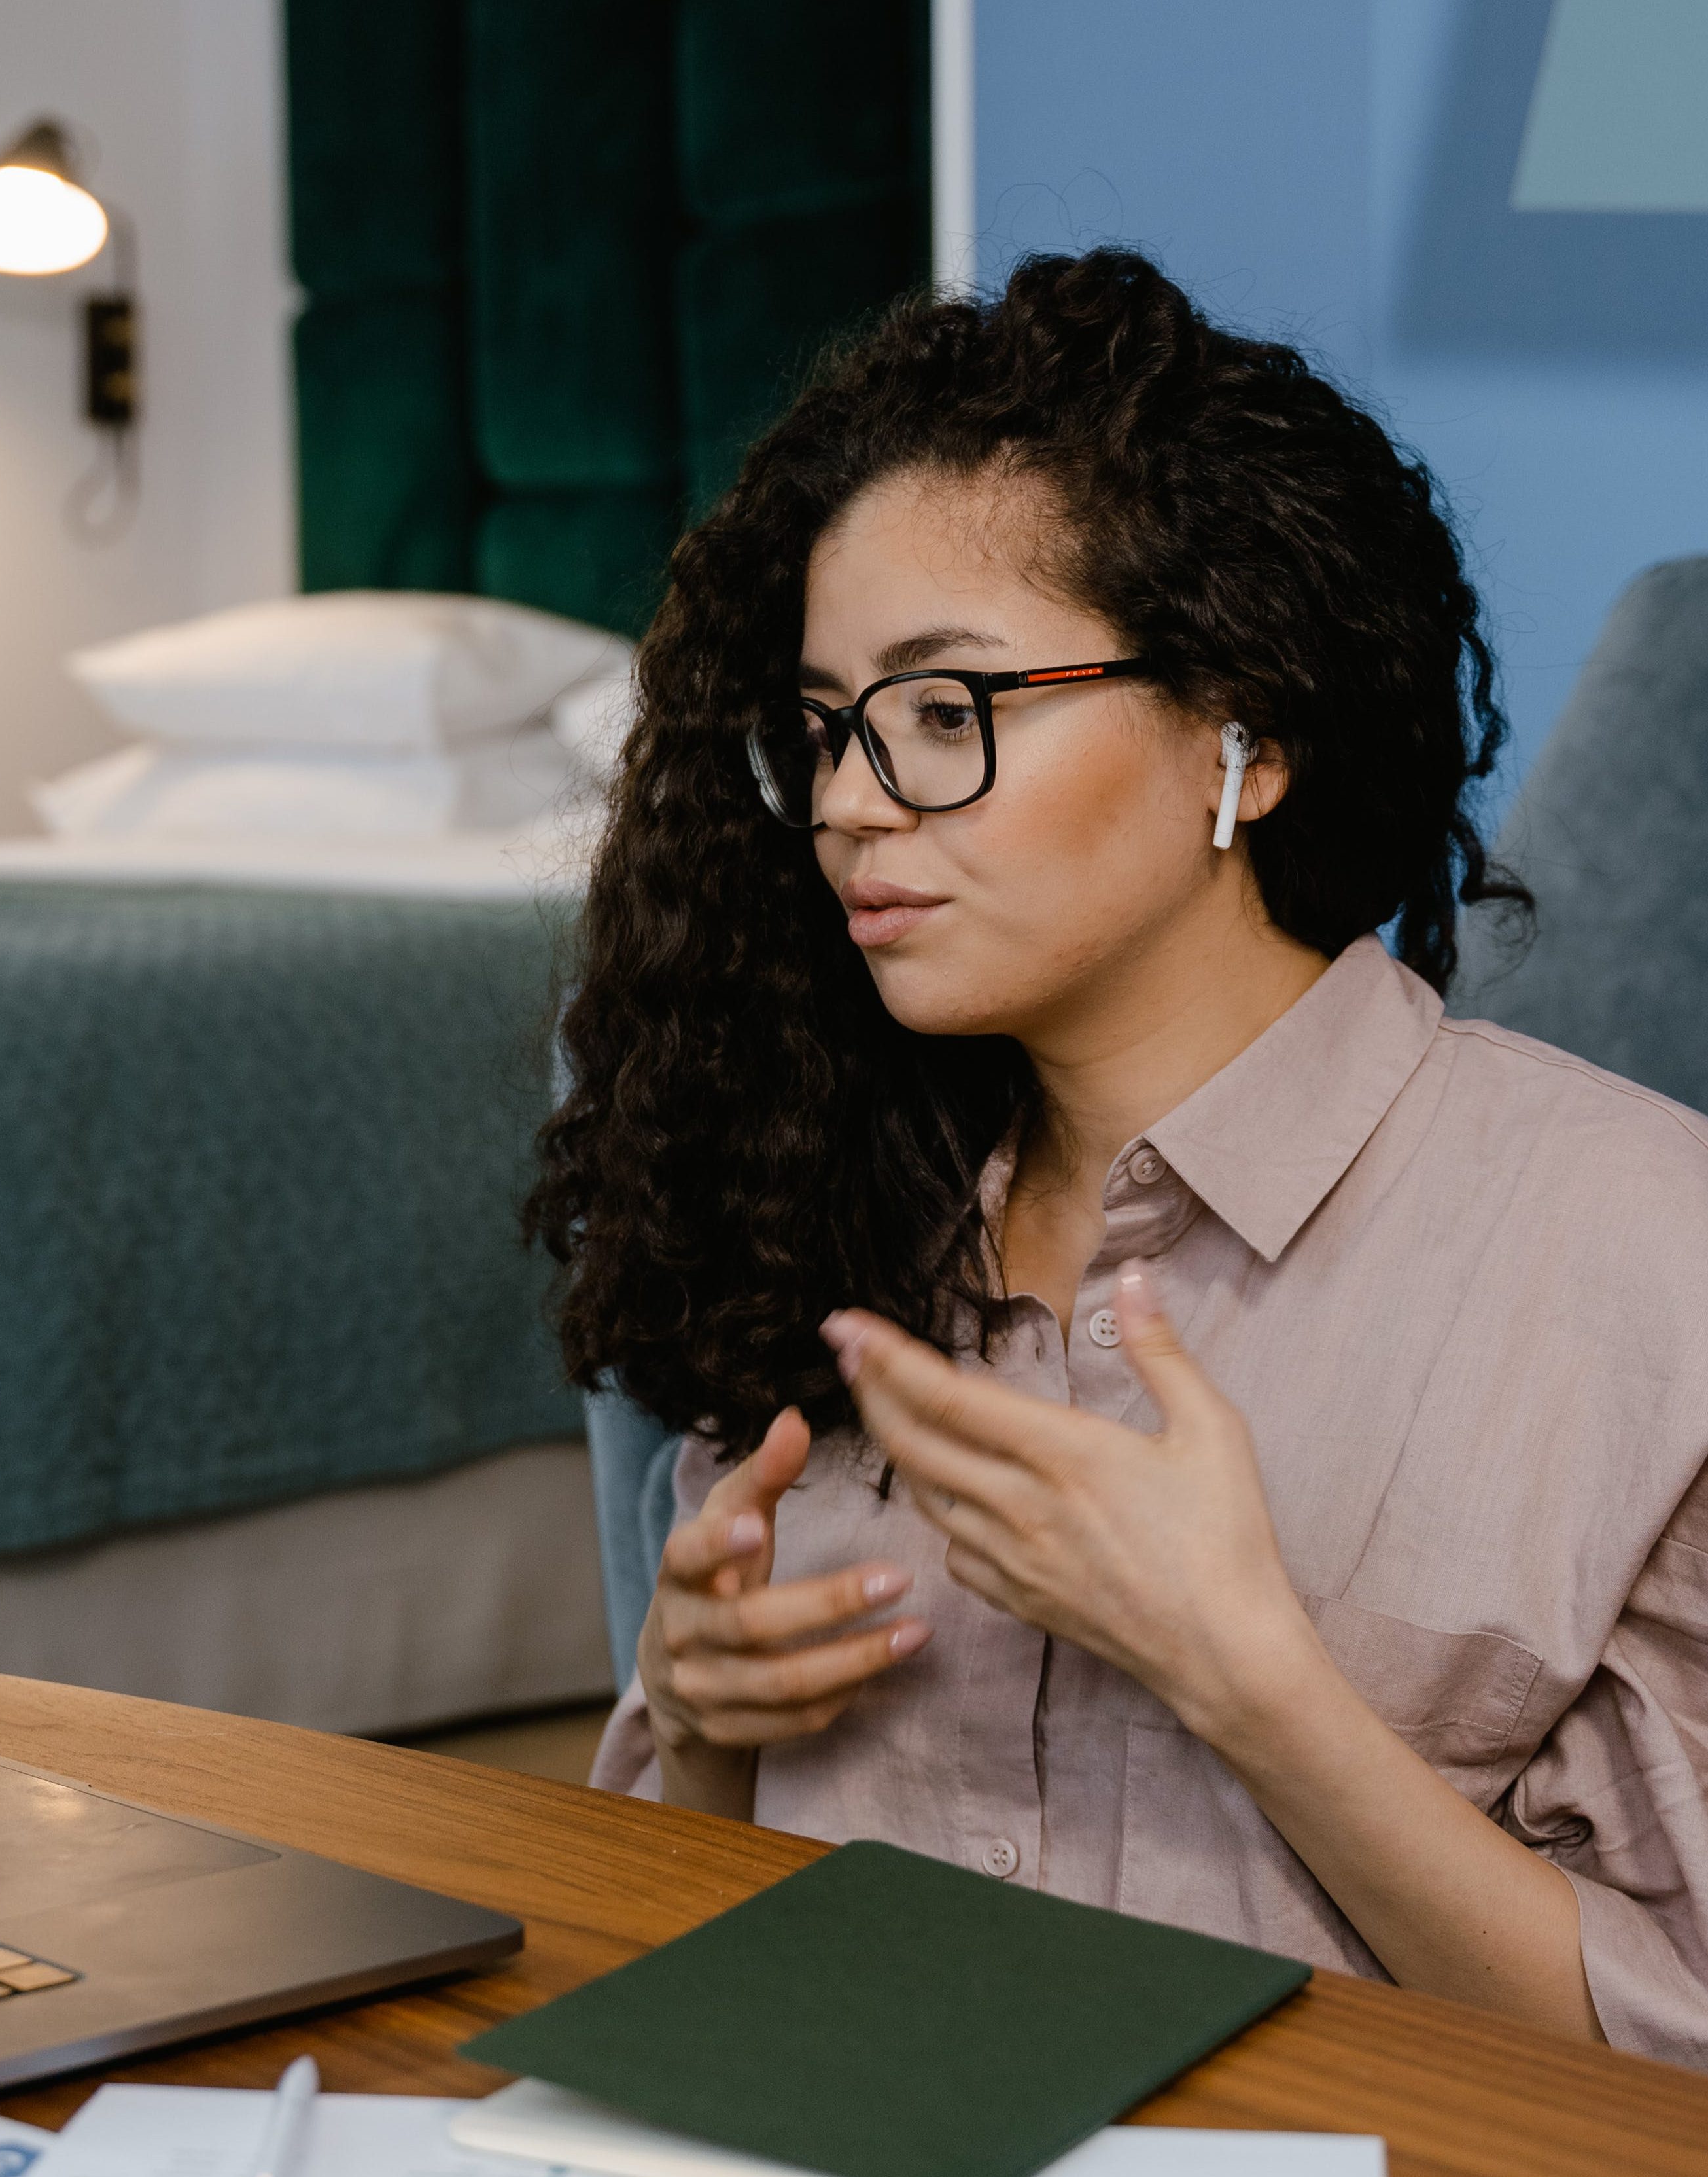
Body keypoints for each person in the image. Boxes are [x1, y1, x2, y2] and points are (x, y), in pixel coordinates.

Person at [527, 249, 1708, 2066]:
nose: (849, 800)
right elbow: (664, 1970)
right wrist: (698, 1728)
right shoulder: (822, 1194)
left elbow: (1673, 2058)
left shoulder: (1641, 1262)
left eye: (943, 712)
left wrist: (1243, 1674)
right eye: (829, 727)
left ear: (1248, 731)